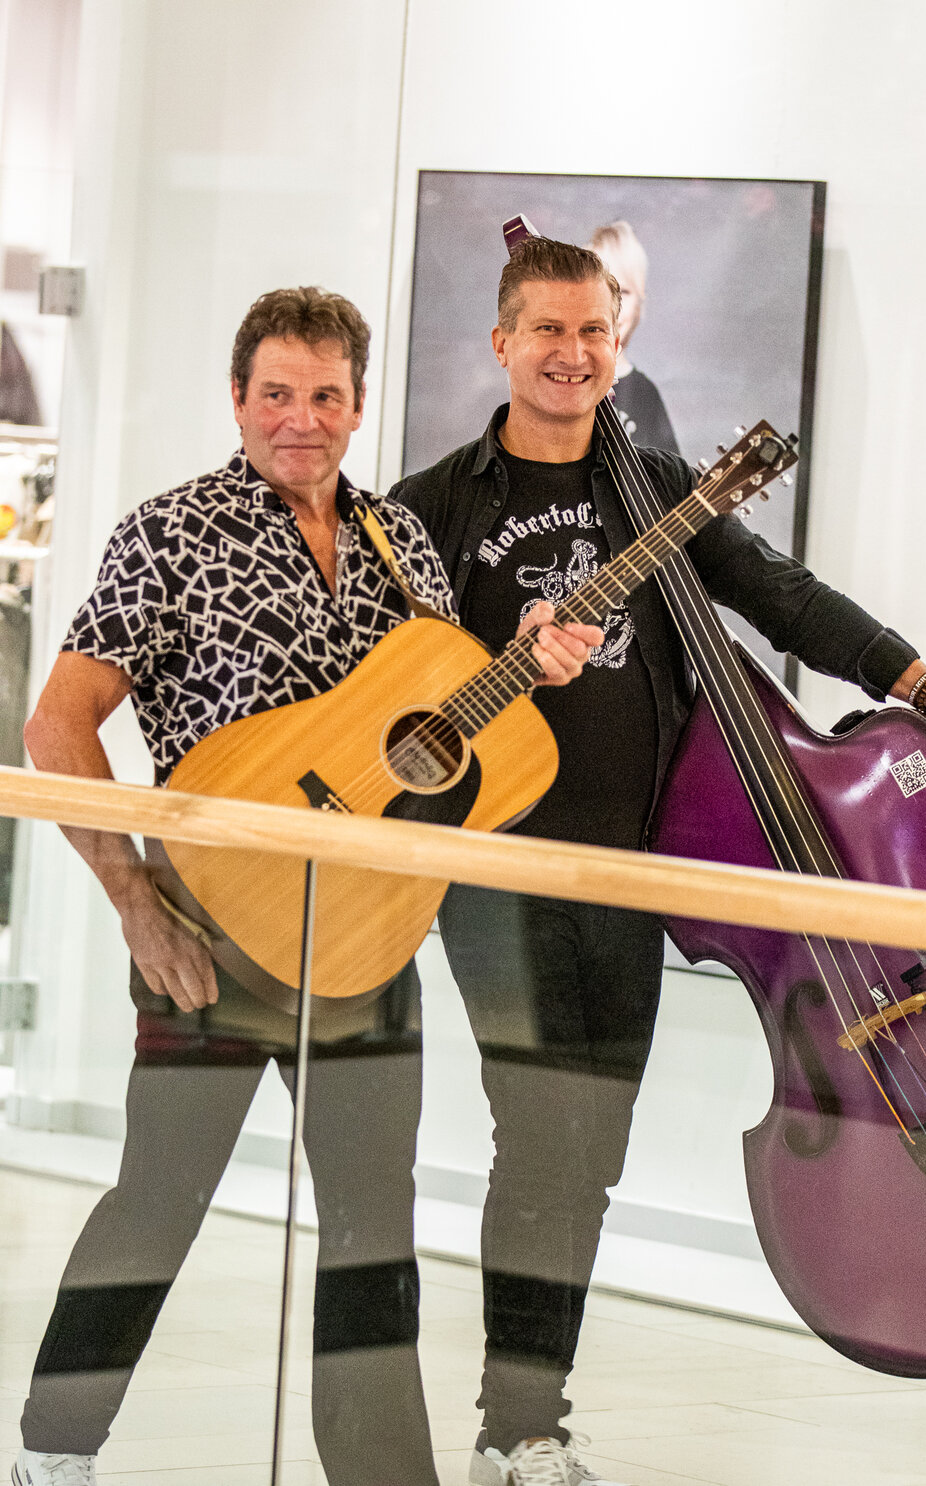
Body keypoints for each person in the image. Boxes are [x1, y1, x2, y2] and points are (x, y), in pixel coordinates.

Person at [390, 236, 926, 1486]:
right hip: (499, 877)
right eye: (547, 330)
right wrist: (503, 661)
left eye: (593, 331)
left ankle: (532, 1418)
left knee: (592, 1150)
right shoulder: (437, 507)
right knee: (540, 1135)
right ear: (501, 343)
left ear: (620, 345)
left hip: (636, 875)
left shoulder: (657, 487)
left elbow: (784, 598)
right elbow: (391, 704)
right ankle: (517, 1426)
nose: (571, 353)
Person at [12, 285, 600, 1486]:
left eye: (326, 395)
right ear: (238, 400)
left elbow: (438, 723)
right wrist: (134, 902)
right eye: (276, 393)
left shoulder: (403, 542)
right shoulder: (170, 533)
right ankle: (52, 1454)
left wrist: (528, 673)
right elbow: (57, 727)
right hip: (208, 926)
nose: (301, 418)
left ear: (357, 406)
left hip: (367, 940)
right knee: (158, 1200)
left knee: (374, 1231)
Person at [586, 221, 679, 454]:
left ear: (640, 304)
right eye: (602, 290)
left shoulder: (645, 395)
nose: (613, 307)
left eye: (624, 292)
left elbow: (668, 473)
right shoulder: (563, 379)